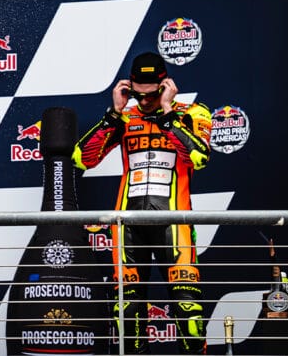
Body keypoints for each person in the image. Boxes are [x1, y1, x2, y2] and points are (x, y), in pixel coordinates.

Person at [72, 52, 211, 354]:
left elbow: (199, 157)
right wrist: (113, 113)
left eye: (152, 94)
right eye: (138, 94)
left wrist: (167, 114)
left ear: (166, 86)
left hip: (175, 225)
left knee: (188, 312)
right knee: (127, 318)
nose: (144, 101)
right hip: (128, 229)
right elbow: (82, 158)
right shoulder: (123, 118)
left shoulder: (193, 113)